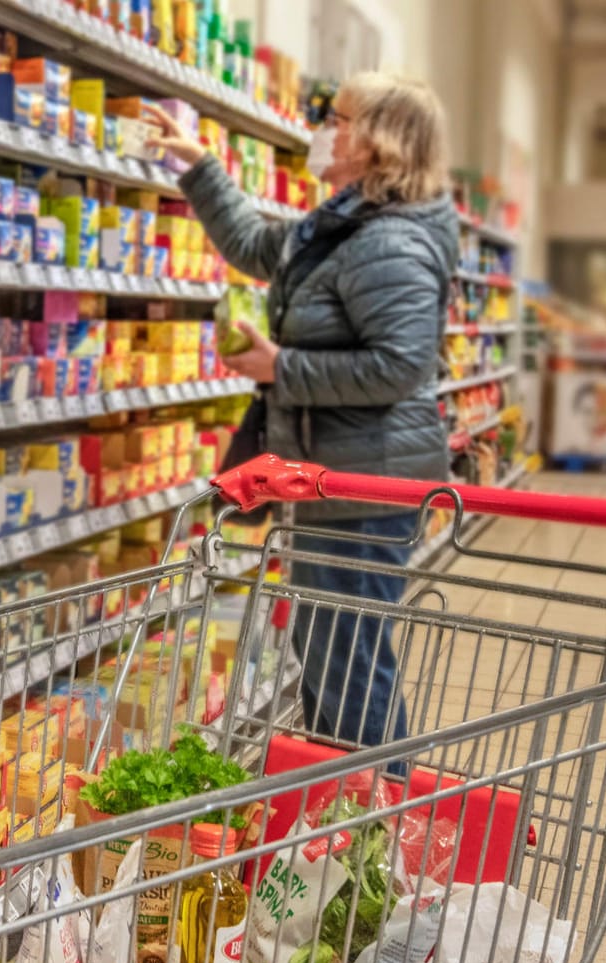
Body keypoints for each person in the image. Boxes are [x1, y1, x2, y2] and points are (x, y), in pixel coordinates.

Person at [144, 74, 459, 748]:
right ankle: (346, 821)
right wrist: (200, 166)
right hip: (336, 475)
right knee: (328, 657)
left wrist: (279, 367)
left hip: (367, 488)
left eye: (336, 118)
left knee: (346, 665)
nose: (323, 128)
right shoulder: (346, 224)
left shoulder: (390, 241)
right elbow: (258, 246)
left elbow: (402, 365)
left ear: (377, 144)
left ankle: (369, 826)